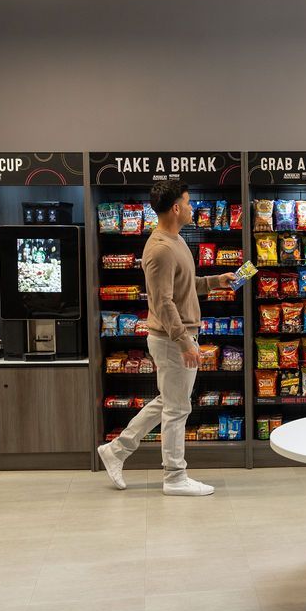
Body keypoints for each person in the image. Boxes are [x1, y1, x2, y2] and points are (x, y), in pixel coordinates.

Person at [98, 180, 235, 496]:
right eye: (188, 202)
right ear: (176, 207)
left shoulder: (177, 241)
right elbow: (162, 302)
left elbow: (187, 286)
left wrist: (217, 280)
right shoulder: (160, 249)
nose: (191, 208)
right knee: (178, 409)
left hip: (178, 335)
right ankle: (174, 477)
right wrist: (184, 341)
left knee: (169, 402)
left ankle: (116, 450)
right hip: (172, 338)